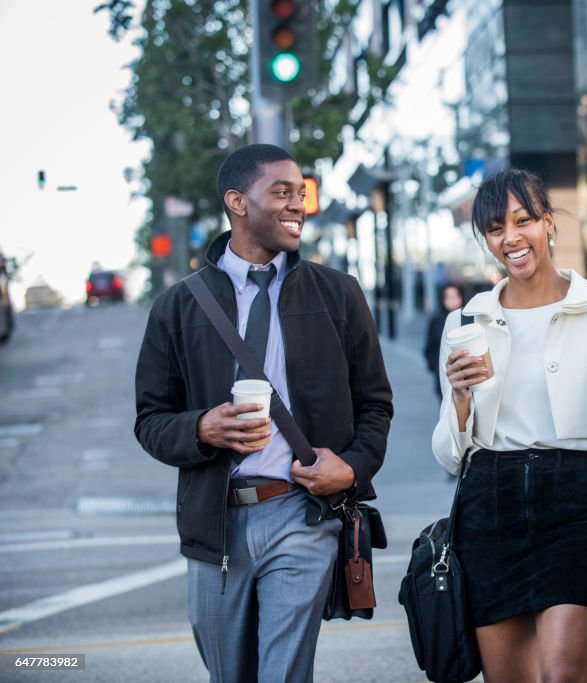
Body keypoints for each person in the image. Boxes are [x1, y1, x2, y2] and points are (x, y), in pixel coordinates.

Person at [134, 144, 393, 683]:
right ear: (237, 202)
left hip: (302, 516)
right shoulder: (178, 307)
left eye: (301, 194)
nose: (297, 204)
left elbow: (375, 403)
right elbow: (150, 420)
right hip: (214, 524)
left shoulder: (339, 295)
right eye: (281, 192)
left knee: (285, 675)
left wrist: (352, 467)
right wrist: (201, 428)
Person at [432, 168, 587, 682]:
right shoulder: (466, 323)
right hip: (489, 507)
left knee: (562, 677)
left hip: (573, 505)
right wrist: (459, 397)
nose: (511, 238)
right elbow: (449, 454)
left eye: (523, 220)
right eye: (496, 229)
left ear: (548, 223)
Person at [424, 284, 465, 400]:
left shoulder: (469, 317)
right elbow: (429, 347)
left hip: (467, 376)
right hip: (443, 374)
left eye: (454, 296)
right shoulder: (436, 321)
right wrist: (436, 368)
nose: (451, 301)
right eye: (448, 297)